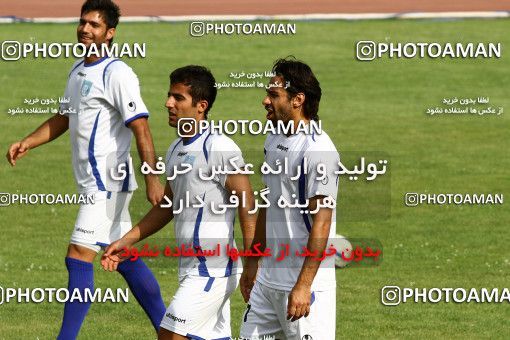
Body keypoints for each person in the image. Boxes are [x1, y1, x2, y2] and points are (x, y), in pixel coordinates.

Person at [6, 0, 166, 338]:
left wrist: (153, 178)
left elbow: (141, 127)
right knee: (123, 255)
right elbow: (65, 117)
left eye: (94, 25)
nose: (85, 29)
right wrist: (29, 142)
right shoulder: (77, 70)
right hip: (94, 184)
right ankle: (169, 331)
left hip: (107, 182)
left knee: (78, 256)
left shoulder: (117, 73)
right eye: (83, 23)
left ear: (109, 33)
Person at [101, 65, 257, 340]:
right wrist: (126, 240)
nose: (168, 103)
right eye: (169, 96)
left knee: (170, 334)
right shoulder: (176, 148)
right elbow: (167, 206)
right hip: (191, 268)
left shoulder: (219, 148)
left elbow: (247, 203)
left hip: (213, 270)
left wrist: (253, 263)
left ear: (201, 106)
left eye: (178, 98)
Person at [239, 57, 340, 339]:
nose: (265, 101)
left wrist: (304, 285)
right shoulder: (274, 138)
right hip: (267, 282)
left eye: (273, 95)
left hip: (303, 287)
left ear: (297, 100)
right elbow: (270, 203)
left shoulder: (318, 150)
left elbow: (322, 224)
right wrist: (252, 261)